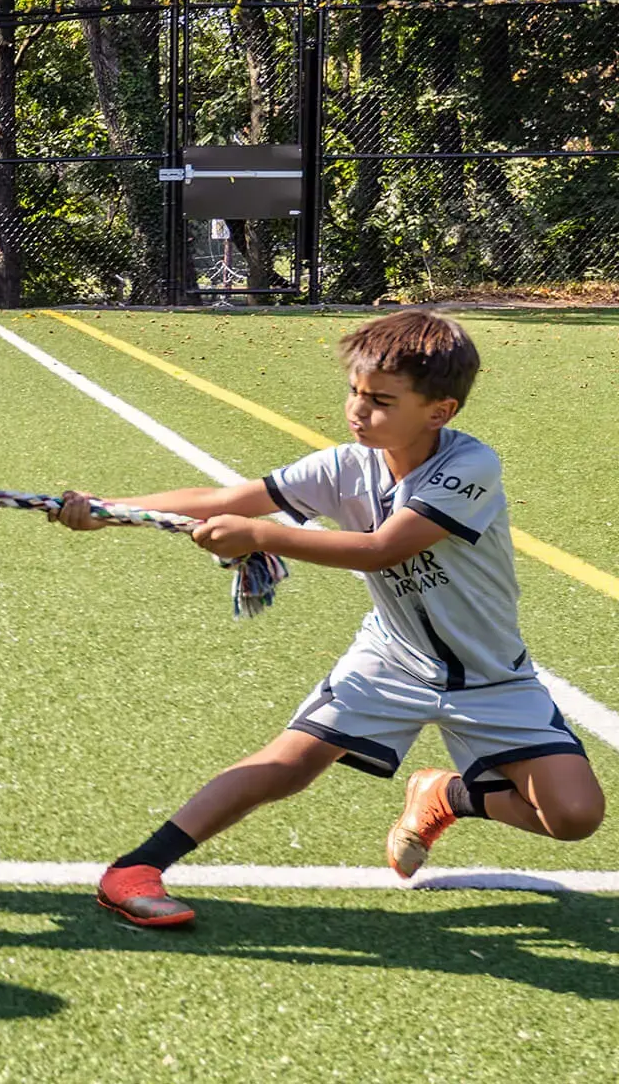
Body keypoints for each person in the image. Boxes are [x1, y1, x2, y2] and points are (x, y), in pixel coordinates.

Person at [61, 309, 605, 928]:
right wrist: (106, 510)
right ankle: (136, 869)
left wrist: (262, 536)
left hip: (491, 678)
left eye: (380, 400)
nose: (357, 409)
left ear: (439, 412)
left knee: (574, 817)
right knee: (286, 766)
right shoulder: (344, 465)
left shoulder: (470, 468)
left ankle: (446, 793)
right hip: (392, 660)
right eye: (354, 391)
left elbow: (384, 548)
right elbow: (225, 499)